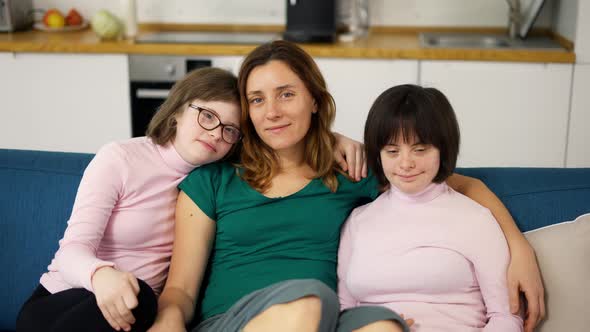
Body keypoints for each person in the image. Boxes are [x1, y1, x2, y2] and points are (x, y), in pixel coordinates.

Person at [149, 41, 543, 332]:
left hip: (328, 320)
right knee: (307, 299)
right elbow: (180, 290)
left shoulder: (352, 172)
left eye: (286, 94)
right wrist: (167, 323)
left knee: (383, 326)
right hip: (232, 322)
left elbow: (460, 183)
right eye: (256, 100)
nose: (272, 112)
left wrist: (519, 247)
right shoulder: (212, 181)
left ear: (315, 101)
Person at [16, 67, 243, 332]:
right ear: (178, 110)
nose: (216, 133)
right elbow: (70, 252)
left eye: (230, 130)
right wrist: (102, 276)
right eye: (207, 116)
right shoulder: (121, 158)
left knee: (141, 300)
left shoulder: (215, 185)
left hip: (134, 315)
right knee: (139, 298)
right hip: (62, 303)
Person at [338, 84, 524, 331]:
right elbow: (343, 311)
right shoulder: (358, 221)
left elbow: (506, 316)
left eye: (420, 149)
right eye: (392, 151)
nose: (406, 163)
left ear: (443, 149)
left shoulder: (475, 219)